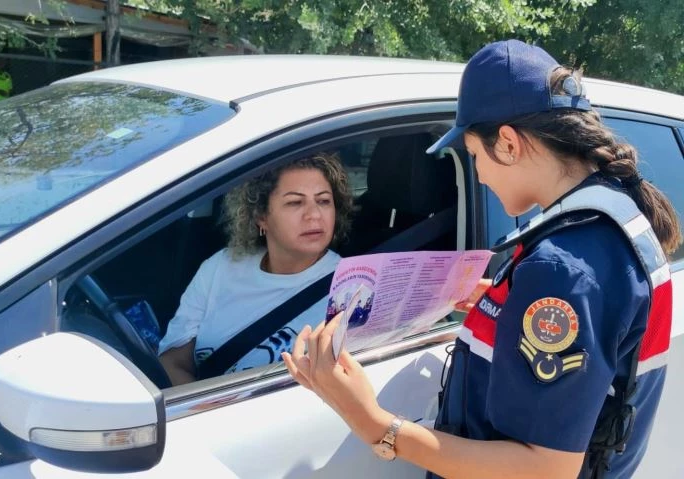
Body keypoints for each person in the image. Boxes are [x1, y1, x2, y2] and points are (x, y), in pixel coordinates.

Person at [283, 39, 681, 479]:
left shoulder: (562, 269)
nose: (479, 173)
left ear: (508, 144)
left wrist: (374, 424)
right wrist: (507, 305)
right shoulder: (616, 215)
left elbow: (543, 471)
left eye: (473, 155)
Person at [159, 152, 353, 386]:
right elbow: (172, 362)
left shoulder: (351, 288)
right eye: (295, 202)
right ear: (261, 216)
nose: (314, 215)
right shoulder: (221, 267)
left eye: (323, 201)